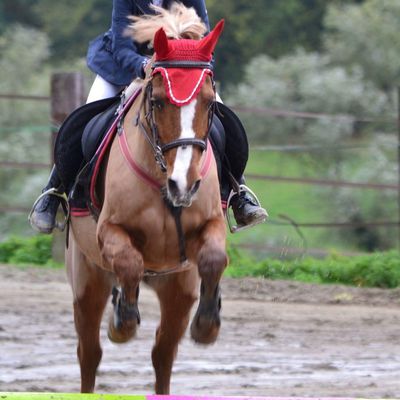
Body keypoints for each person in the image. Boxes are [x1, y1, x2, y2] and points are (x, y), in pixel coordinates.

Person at [29, 0, 267, 234]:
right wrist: (146, 66)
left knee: (221, 117)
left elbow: (207, 48)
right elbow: (122, 47)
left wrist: (187, 67)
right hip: (125, 66)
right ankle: (53, 192)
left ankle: (240, 193)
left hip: (178, 71)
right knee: (87, 114)